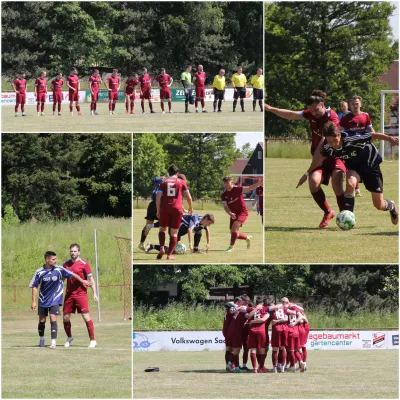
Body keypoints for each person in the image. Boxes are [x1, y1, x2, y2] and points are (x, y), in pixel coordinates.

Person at [266, 90, 346, 228]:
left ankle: (346, 214)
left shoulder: (331, 117)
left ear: (322, 104)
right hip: (319, 157)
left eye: (316, 109)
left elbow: (322, 146)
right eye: (311, 110)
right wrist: (271, 108)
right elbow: (291, 114)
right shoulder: (310, 114)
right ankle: (328, 212)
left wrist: (306, 173)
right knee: (314, 183)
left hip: (334, 156)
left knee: (337, 184)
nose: (313, 112)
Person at [297, 121, 399, 225]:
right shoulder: (328, 147)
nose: (333, 144)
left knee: (379, 205)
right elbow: (318, 160)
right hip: (354, 168)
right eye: (329, 141)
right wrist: (306, 174)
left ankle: (391, 205)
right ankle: (349, 218)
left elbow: (373, 135)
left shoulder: (352, 138)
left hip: (371, 167)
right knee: (350, 183)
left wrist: (390, 139)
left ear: (339, 135)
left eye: (334, 140)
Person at [29, 251, 90, 349]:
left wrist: (82, 281)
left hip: (55, 299)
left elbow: (72, 274)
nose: (55, 261)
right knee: (42, 320)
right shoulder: (39, 272)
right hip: (43, 300)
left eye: (55, 259)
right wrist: (33, 301)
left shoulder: (59, 269)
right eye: (53, 259)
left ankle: (53, 342)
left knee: (53, 318)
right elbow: (34, 286)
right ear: (47, 260)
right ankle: (42, 338)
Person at [63, 244, 98, 348]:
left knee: (85, 316)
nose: (73, 253)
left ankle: (92, 340)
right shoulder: (65, 264)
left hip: (81, 294)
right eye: (71, 251)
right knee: (65, 317)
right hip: (69, 294)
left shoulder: (84, 264)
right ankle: (69, 337)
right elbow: (62, 279)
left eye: (75, 251)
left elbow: (91, 280)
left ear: (79, 252)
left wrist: (94, 293)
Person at [156, 165, 193, 260]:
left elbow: (158, 197)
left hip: (165, 208)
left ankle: (161, 248)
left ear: (168, 173)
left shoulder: (163, 182)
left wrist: (158, 210)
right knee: (174, 233)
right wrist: (190, 207)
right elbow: (188, 197)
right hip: (177, 209)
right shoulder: (181, 182)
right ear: (177, 173)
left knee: (162, 229)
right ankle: (169, 255)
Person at [221, 176, 263, 252]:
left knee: (234, 227)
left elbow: (250, 188)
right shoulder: (224, 195)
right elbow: (225, 206)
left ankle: (231, 247)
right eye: (225, 183)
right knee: (234, 233)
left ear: (232, 182)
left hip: (242, 212)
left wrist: (258, 183)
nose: (226, 184)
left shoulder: (238, 189)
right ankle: (247, 238)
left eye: (228, 182)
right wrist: (229, 213)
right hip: (233, 214)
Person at [145, 213, 214, 254]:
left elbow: (207, 231)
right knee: (172, 251)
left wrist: (208, 243)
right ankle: (152, 246)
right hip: (175, 228)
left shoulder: (202, 223)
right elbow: (190, 229)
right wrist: (190, 244)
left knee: (199, 230)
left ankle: (195, 249)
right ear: (206, 219)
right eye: (209, 223)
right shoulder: (195, 218)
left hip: (181, 230)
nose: (209, 225)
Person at [138, 177, 166, 251]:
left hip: (152, 205)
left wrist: (158, 179)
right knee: (165, 223)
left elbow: (152, 179)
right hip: (161, 204)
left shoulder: (157, 181)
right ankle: (162, 247)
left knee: (147, 225)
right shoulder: (167, 182)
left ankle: (141, 243)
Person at [245, 297, 269, 373]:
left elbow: (247, 316)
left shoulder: (251, 309)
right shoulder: (265, 310)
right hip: (261, 331)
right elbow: (263, 319)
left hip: (252, 331)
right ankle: (261, 368)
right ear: (262, 304)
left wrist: (252, 321)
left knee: (253, 349)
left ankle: (255, 368)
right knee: (262, 349)